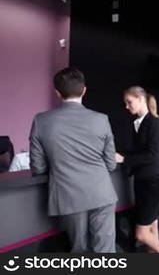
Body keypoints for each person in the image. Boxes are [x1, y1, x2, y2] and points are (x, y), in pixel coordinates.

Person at [29, 68, 118, 253]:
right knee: (105, 252)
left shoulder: (41, 121)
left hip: (69, 196)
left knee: (79, 250)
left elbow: (38, 167)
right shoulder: (101, 119)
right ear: (84, 90)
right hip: (102, 193)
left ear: (57, 92)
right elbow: (111, 163)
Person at [116, 86, 159, 253]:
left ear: (141, 99)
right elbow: (140, 151)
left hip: (152, 183)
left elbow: (153, 154)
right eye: (125, 103)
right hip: (144, 181)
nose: (126, 106)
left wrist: (124, 159)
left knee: (142, 235)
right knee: (152, 231)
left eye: (129, 102)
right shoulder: (138, 123)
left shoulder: (155, 123)